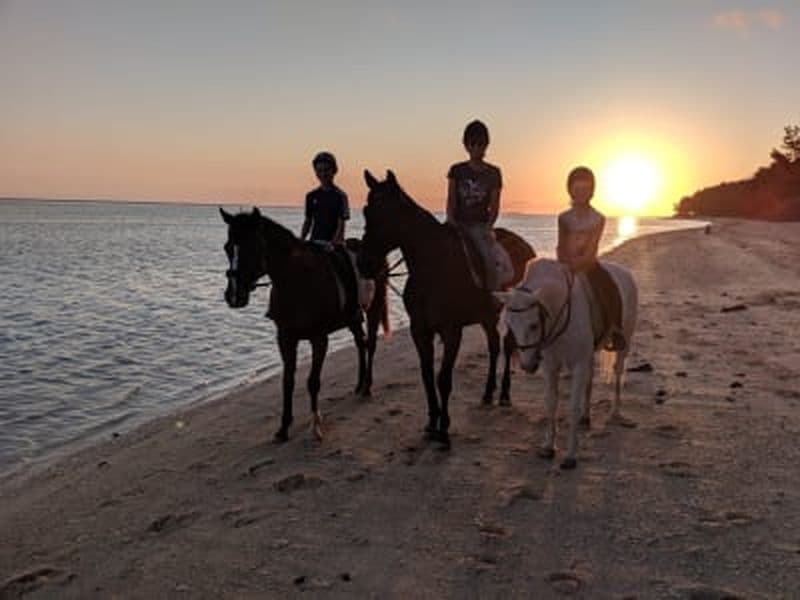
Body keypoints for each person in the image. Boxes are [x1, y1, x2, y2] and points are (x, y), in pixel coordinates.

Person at [556, 166, 626, 351]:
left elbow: (592, 249)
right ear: (570, 190)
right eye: (577, 189)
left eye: (585, 189)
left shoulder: (597, 218)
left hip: (588, 265)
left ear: (591, 192)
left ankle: (614, 330)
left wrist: (577, 265)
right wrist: (564, 263)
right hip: (565, 264)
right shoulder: (564, 218)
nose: (581, 193)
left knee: (610, 287)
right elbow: (560, 245)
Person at [446, 120, 509, 290]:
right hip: (457, 223)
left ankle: (492, 296)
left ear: (486, 145)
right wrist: (451, 220)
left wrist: (488, 227)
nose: (476, 148)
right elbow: (451, 200)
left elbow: (494, 206)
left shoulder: (493, 173)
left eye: (480, 144)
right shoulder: (457, 170)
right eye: (472, 144)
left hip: (479, 225)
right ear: (466, 145)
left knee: (488, 259)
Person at [300, 151, 349, 249]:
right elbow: (308, 221)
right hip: (314, 242)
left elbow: (341, 224)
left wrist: (333, 244)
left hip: (334, 245)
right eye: (319, 170)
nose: (323, 174)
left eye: (326, 170)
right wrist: (301, 240)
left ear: (334, 171)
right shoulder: (311, 196)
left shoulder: (340, 196)